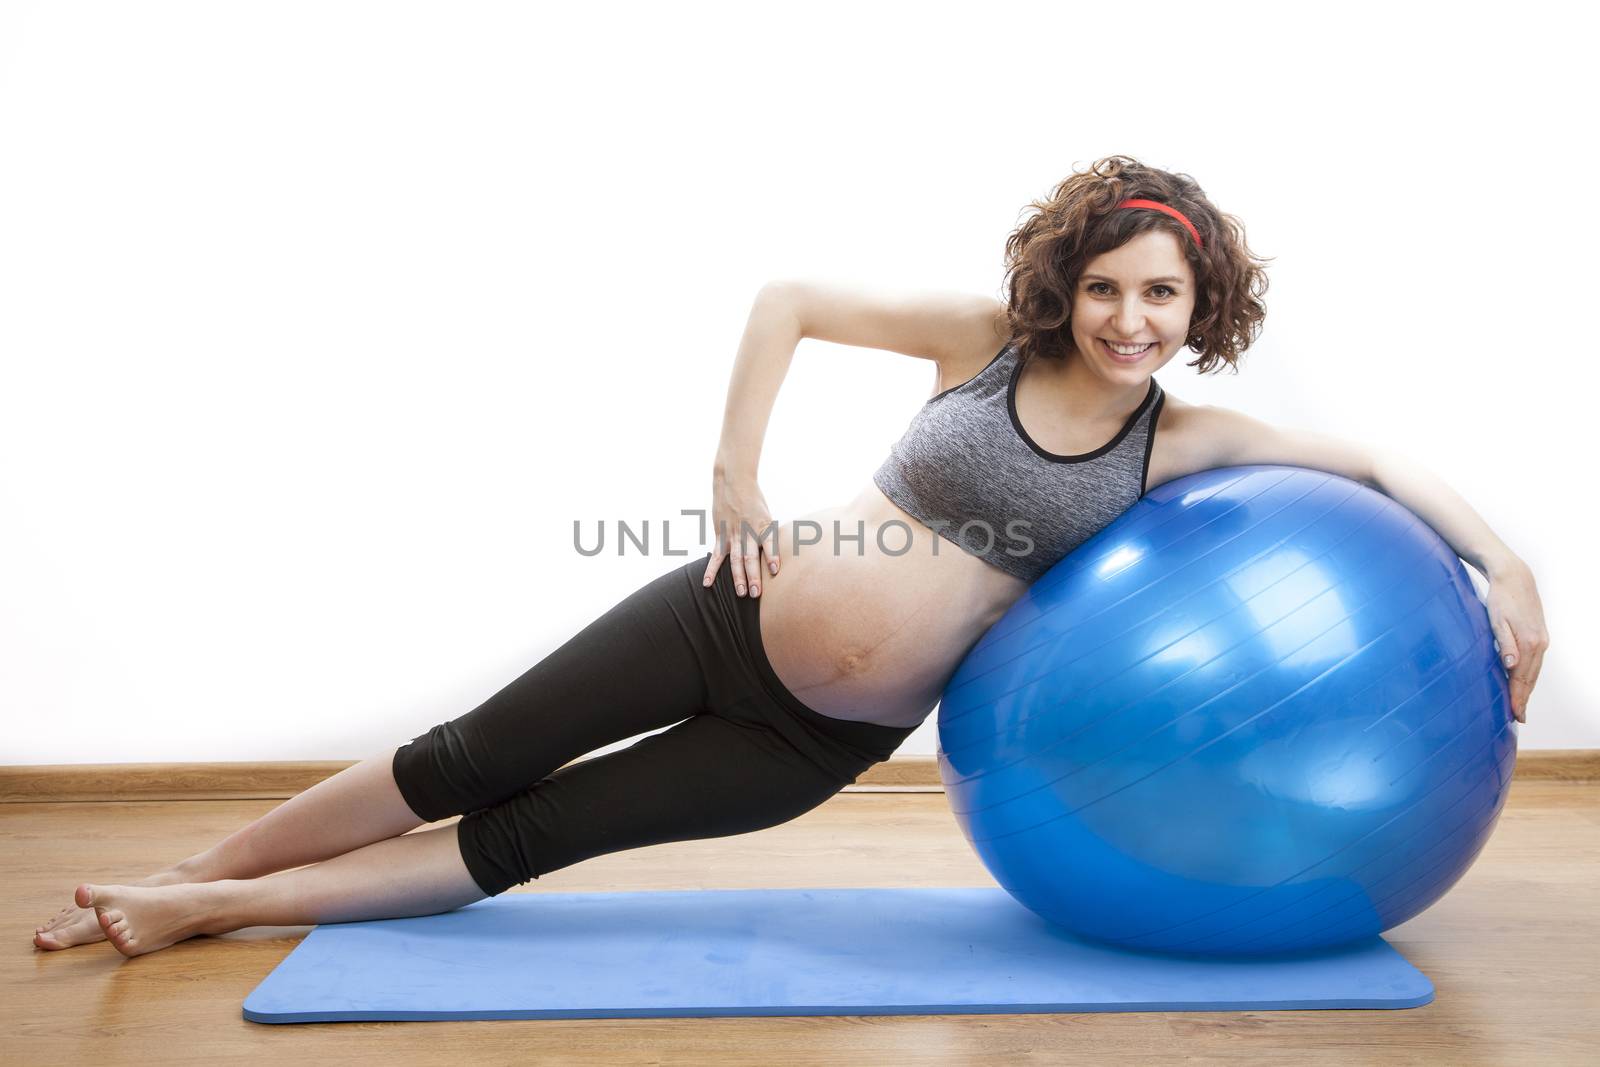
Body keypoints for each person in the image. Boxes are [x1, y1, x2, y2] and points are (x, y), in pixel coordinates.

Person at [34, 154, 1549, 958]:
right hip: (722, 619)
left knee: (521, 846)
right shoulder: (979, 342)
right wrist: (732, 478)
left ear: (1198, 299)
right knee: (466, 756)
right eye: (1105, 286)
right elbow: (788, 298)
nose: (1129, 319)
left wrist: (1506, 568)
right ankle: (193, 866)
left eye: (1161, 293)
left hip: (817, 739)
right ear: (1064, 282)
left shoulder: (1187, 442)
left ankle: (201, 913)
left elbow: (1370, 464)